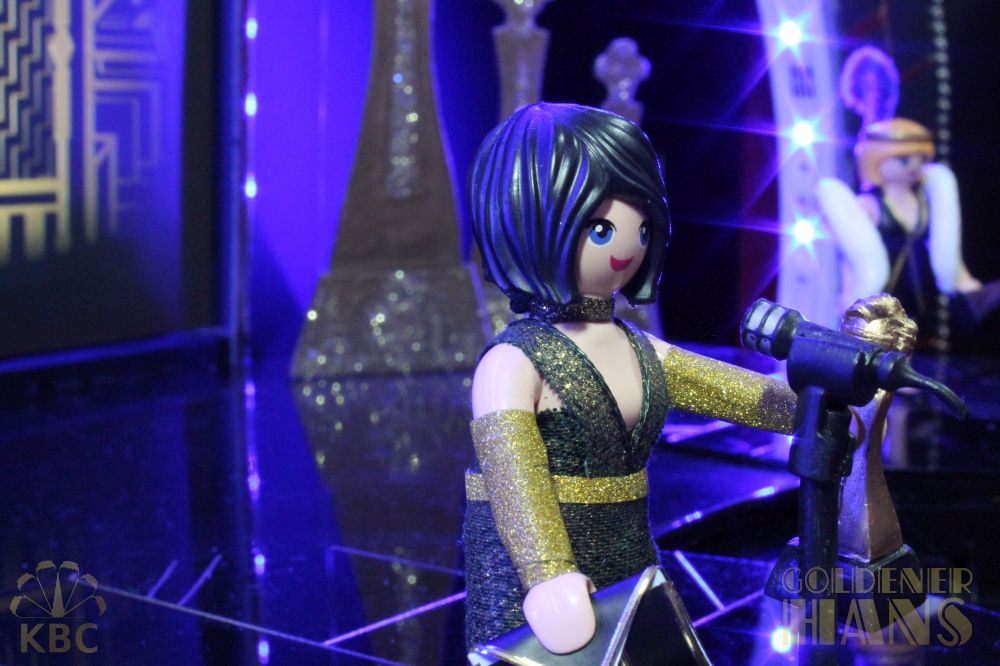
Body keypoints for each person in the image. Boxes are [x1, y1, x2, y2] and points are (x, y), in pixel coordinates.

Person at [463, 102, 798, 653]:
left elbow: (749, 397)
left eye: (641, 227)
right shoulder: (512, 362)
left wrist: (820, 400)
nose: (627, 246)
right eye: (601, 228)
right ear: (527, 224)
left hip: (629, 555)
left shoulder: (637, 347)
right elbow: (513, 477)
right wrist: (546, 575)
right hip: (536, 586)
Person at [818, 118, 999, 350]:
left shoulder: (923, 200)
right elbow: (853, 255)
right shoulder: (871, 205)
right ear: (876, 158)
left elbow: (943, 243)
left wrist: (963, 281)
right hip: (886, 283)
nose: (913, 166)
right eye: (904, 160)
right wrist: (850, 292)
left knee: (910, 332)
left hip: (916, 283)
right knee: (882, 335)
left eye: (921, 159)